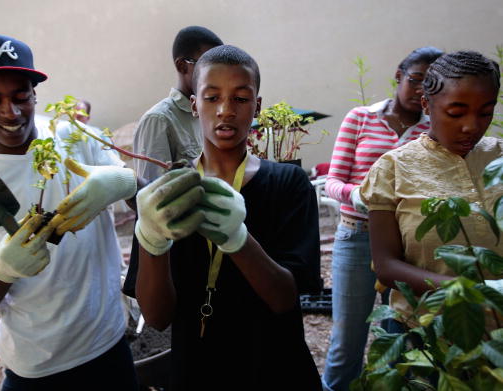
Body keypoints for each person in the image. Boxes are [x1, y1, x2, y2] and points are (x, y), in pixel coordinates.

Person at [0, 34, 140, 390]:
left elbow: (144, 201)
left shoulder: (76, 141)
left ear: (35, 93)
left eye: (20, 97)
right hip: (36, 367)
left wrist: (124, 181)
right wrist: (2, 271)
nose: (11, 112)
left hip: (109, 345)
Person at [124, 45, 322, 391]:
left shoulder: (289, 184)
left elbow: (284, 298)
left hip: (275, 367)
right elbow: (156, 317)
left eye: (241, 99)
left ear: (257, 106)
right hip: (197, 369)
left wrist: (237, 239)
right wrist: (151, 238)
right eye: (212, 97)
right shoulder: (171, 194)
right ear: (193, 104)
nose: (225, 111)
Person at [322, 46, 444, 391]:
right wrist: (358, 195)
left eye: (431, 84)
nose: (421, 90)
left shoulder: (432, 131)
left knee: (399, 333)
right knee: (347, 336)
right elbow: (332, 181)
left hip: (407, 243)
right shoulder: (360, 117)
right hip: (356, 236)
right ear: (399, 76)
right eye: (416, 79)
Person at [360, 50, 502, 324]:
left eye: (485, 113)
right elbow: (386, 266)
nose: (471, 126)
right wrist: (466, 290)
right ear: (426, 104)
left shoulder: (499, 158)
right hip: (427, 332)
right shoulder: (393, 169)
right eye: (456, 113)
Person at [132, 26, 223, 181]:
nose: (216, 75)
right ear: (182, 66)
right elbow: (153, 195)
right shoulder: (158, 120)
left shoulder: (214, 113)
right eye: (208, 66)